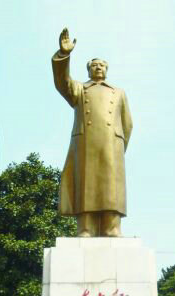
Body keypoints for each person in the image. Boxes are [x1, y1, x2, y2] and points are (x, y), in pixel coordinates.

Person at [52, 28, 133, 237]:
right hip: (85, 142)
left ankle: (111, 226)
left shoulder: (118, 92)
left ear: (106, 70)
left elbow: (128, 124)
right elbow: (62, 82)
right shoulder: (80, 89)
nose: (98, 68)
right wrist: (64, 54)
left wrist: (119, 146)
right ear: (88, 70)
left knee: (111, 186)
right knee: (85, 183)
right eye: (94, 65)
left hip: (111, 144)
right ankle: (85, 227)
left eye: (102, 65)